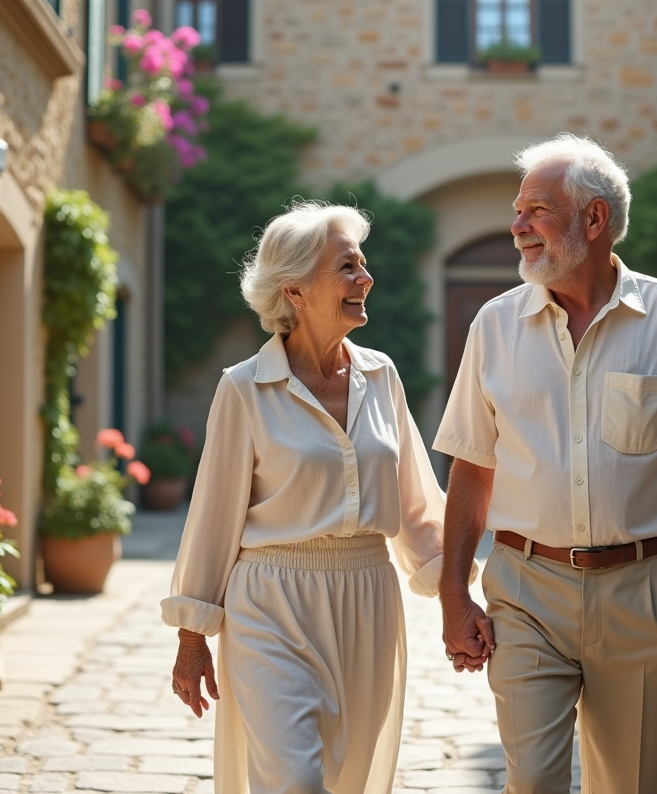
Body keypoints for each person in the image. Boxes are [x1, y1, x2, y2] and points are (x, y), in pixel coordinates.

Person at [435, 134, 657, 794]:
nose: (518, 225)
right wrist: (453, 591)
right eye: (517, 210)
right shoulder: (494, 326)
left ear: (595, 219)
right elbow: (471, 466)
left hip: (643, 594)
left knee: (631, 785)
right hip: (524, 592)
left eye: (537, 209)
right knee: (533, 783)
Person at [162, 201, 466, 794]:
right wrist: (193, 633)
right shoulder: (244, 388)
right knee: (294, 781)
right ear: (295, 290)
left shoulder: (382, 377)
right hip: (271, 602)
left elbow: (415, 507)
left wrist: (455, 595)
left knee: (348, 781)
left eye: (362, 264)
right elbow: (212, 515)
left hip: (367, 599)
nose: (365, 279)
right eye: (347, 267)